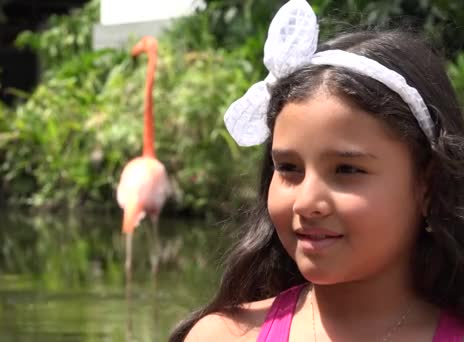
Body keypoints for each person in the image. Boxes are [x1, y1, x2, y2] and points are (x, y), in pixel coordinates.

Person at [169, 0, 464, 341]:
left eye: (347, 169)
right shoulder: (224, 336)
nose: (306, 202)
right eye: (289, 168)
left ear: (426, 186)